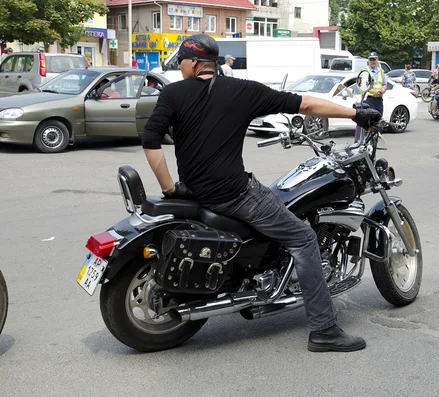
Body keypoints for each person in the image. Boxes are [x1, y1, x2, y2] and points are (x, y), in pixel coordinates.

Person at [142, 34, 381, 353]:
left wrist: (170, 187)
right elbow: (305, 103)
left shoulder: (172, 93)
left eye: (181, 61)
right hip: (234, 194)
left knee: (275, 206)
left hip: (195, 193)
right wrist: (354, 114)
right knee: (304, 238)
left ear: (194, 62)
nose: (180, 67)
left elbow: (150, 140)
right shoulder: (243, 90)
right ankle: (324, 330)